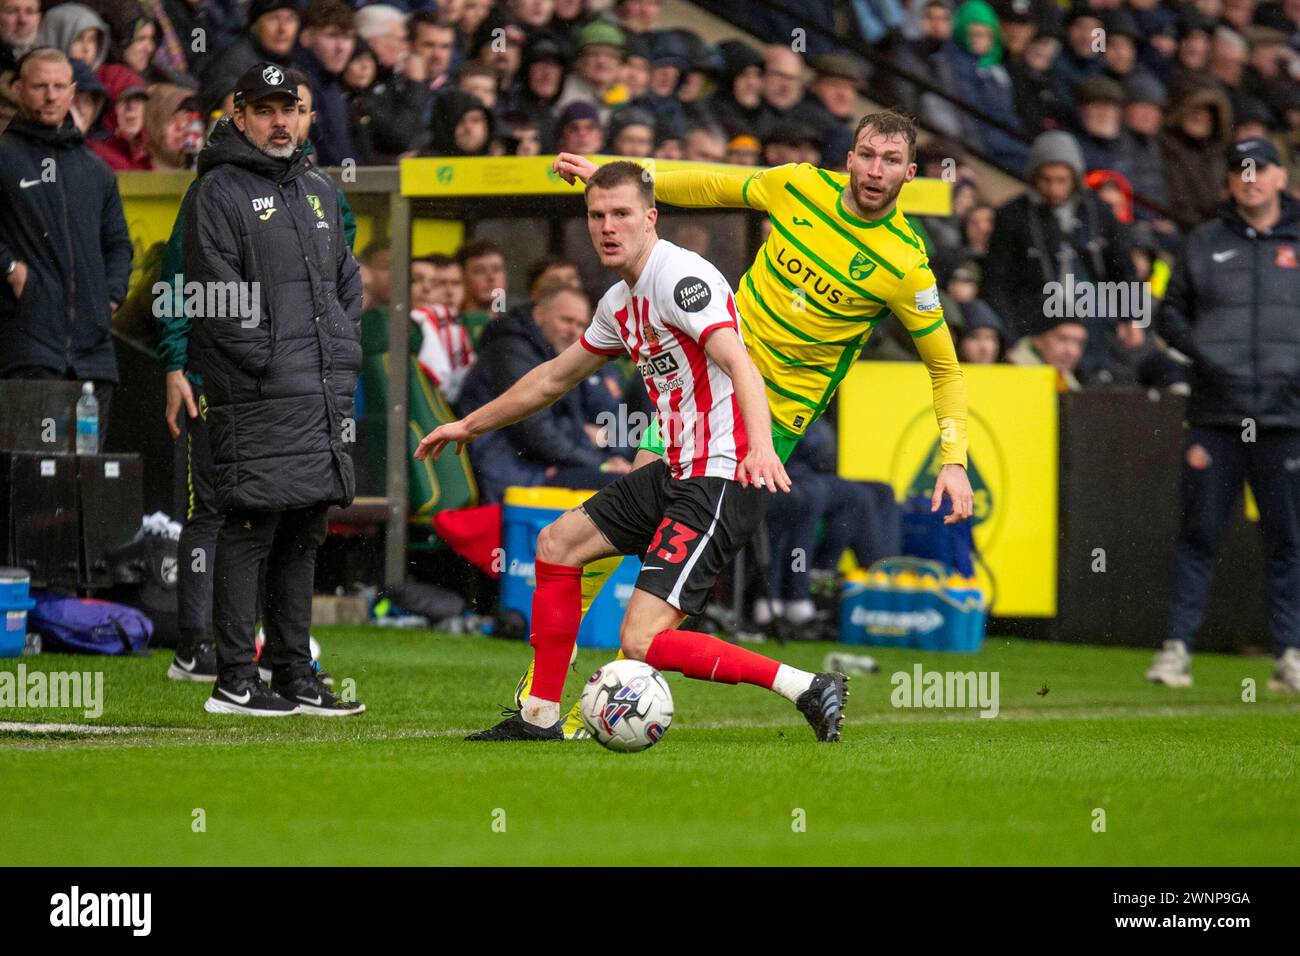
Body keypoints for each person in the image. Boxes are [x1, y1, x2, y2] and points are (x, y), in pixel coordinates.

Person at [418, 161, 850, 743]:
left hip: (720, 477)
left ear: (650, 218)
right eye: (596, 216)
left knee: (642, 640)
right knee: (557, 545)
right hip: (674, 470)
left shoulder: (680, 279)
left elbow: (740, 363)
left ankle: (806, 686)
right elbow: (551, 379)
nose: (607, 226)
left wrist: (759, 449)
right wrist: (468, 424)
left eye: (621, 214)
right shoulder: (620, 301)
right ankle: (539, 715)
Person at [157, 67, 353, 684]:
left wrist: (334, 349)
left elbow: (343, 283)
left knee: (304, 528)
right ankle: (226, 669)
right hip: (257, 390)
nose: (280, 122)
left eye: (289, 109)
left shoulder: (319, 189)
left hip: (317, 392)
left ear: (305, 116)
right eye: (265, 111)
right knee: (244, 522)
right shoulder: (215, 192)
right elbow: (208, 294)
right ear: (238, 116)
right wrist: (268, 358)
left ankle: (293, 672)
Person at [1147, 137, 1300, 692]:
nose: (1250, 178)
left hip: (1287, 417)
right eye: (1240, 170)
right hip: (1216, 413)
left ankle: (1291, 655)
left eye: (1261, 169)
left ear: (1283, 177)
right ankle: (1176, 650)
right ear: (1229, 181)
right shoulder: (1201, 242)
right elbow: (1167, 316)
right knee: (1199, 533)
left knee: (1289, 540)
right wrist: (1207, 357)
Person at [0, 48, 131, 433]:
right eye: (40, 86)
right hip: (28, 350)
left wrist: (109, 297)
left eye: (59, 86)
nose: (50, 95)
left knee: (90, 483)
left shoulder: (96, 169)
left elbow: (119, 244)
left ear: (73, 92)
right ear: (19, 89)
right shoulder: (4, 158)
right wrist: (12, 270)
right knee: (32, 480)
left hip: (95, 357)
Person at [455, 282, 628, 502]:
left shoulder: (554, 353)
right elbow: (535, 432)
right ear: (539, 314)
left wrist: (612, 459)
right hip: (516, 475)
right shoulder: (512, 350)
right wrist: (601, 465)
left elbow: (587, 418)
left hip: (546, 466)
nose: (573, 331)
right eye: (566, 320)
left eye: (581, 324)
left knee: (631, 483)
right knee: (626, 490)